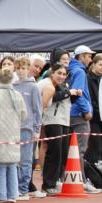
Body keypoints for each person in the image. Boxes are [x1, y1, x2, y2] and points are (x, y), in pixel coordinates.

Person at [0, 60, 27, 203]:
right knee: (12, 163)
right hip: (14, 132)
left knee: (0, 164)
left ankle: (0, 193)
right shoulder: (17, 95)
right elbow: (24, 115)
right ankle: (13, 193)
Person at [12, 56, 44, 199]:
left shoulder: (33, 87)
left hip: (27, 129)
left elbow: (37, 110)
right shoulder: (12, 86)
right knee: (14, 159)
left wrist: (37, 130)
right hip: (13, 128)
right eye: (18, 68)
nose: (20, 71)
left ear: (28, 69)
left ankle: (23, 188)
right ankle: (15, 187)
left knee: (25, 160)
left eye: (23, 68)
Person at [38, 63, 72, 195]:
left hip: (64, 121)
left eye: (64, 74)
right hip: (52, 121)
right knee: (54, 152)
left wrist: (73, 94)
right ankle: (48, 184)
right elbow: (50, 100)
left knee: (63, 152)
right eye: (59, 73)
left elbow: (66, 101)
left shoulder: (64, 85)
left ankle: (56, 180)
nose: (61, 76)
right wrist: (68, 93)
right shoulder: (48, 84)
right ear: (52, 73)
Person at [67, 45, 96, 191]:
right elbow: (78, 93)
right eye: (89, 56)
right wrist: (86, 111)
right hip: (79, 115)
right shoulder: (79, 72)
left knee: (71, 149)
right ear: (82, 56)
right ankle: (81, 181)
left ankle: (73, 180)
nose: (91, 59)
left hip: (70, 114)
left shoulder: (71, 69)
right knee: (79, 150)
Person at [87, 53, 102, 165]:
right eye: (100, 64)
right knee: (96, 148)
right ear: (94, 64)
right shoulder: (88, 79)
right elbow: (91, 99)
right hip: (94, 118)